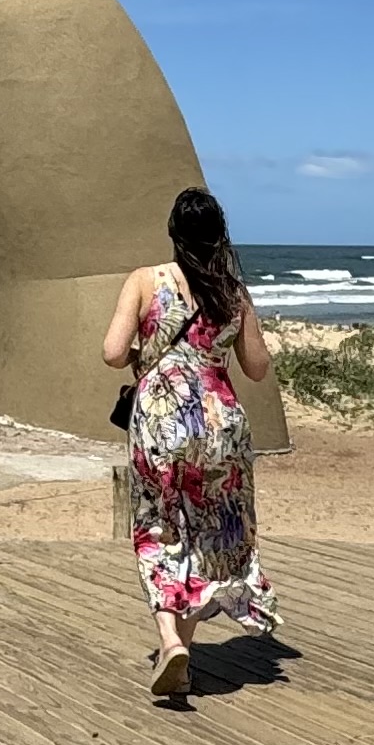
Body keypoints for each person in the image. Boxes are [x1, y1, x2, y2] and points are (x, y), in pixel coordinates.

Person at [103, 186, 278, 701]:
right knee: (208, 534)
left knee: (159, 527)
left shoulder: (145, 281)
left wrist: (147, 351)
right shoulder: (232, 293)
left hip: (163, 420)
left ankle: (168, 639)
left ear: (174, 234)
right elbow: (259, 368)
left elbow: (113, 353)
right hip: (221, 423)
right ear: (219, 234)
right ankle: (182, 648)